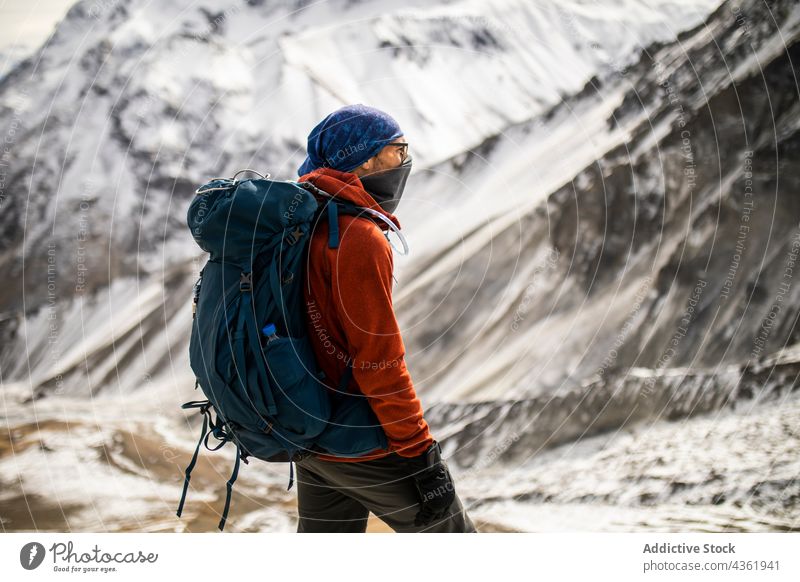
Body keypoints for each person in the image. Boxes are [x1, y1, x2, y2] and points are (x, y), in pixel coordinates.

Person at [294, 103, 477, 533]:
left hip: (309, 433)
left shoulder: (305, 221)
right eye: (399, 148)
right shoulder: (358, 237)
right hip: (361, 441)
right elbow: (378, 359)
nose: (405, 160)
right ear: (368, 159)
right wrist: (419, 451)